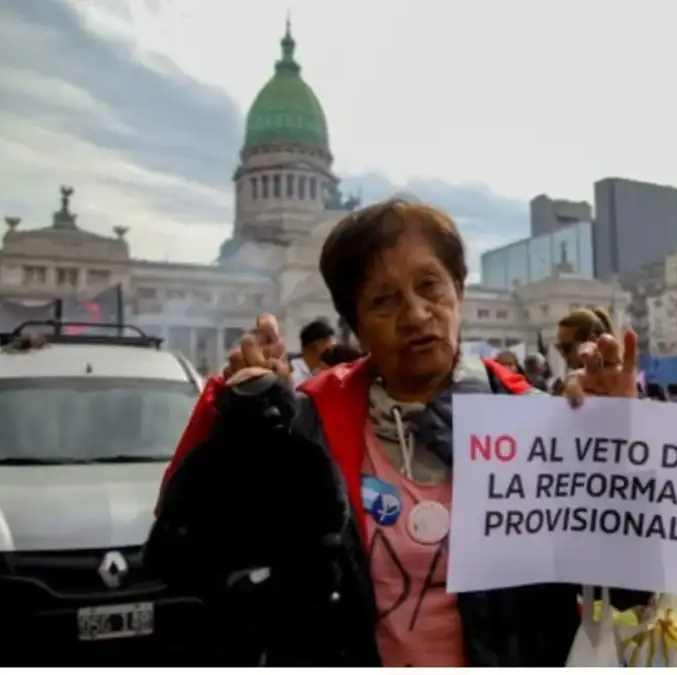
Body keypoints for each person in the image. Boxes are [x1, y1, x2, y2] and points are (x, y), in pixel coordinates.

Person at [144, 199, 649, 667]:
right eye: (384, 301)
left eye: (431, 286)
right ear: (354, 326)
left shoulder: (534, 419)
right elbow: (184, 557)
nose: (415, 315)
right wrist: (242, 422)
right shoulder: (310, 425)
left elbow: (634, 588)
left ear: (459, 292)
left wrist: (614, 445)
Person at [290, 319, 336, 387]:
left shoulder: (319, 372)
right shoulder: (292, 371)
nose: (331, 349)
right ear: (316, 345)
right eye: (327, 342)